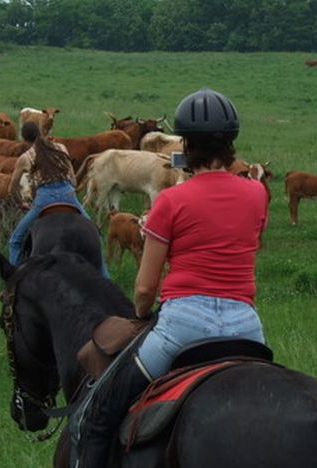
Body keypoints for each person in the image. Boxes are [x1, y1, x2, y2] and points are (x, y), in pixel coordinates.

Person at [76, 88, 268, 467]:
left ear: (184, 143)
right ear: (231, 143)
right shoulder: (257, 194)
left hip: (183, 326)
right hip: (246, 327)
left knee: (99, 413)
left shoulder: (170, 202)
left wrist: (142, 312)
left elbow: (146, 288)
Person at [7, 121, 109, 279]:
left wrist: (21, 202)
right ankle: (105, 278)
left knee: (15, 240)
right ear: (41, 132)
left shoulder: (25, 158)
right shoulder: (61, 148)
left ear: (24, 138)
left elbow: (12, 188)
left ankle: (15, 281)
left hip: (43, 199)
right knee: (95, 232)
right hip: (68, 195)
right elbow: (73, 181)